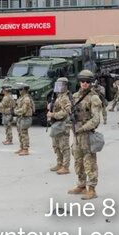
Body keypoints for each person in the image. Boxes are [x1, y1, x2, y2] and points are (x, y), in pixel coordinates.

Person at [68, 69, 103, 200]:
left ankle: (92, 189)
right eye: (82, 81)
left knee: (89, 162)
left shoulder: (94, 98)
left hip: (86, 134)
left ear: (91, 83)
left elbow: (95, 119)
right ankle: (81, 185)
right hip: (76, 134)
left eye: (87, 81)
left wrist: (82, 128)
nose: (84, 84)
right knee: (78, 161)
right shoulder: (75, 96)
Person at [48, 77, 72, 175]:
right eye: (57, 85)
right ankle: (59, 163)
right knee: (56, 145)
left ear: (65, 86)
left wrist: (53, 115)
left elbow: (65, 112)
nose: (58, 87)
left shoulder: (65, 98)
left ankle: (65, 166)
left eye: (60, 85)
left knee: (64, 146)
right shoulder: (58, 96)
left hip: (63, 124)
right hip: (56, 124)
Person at [13, 84, 35, 156]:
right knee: (20, 133)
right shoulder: (21, 98)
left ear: (24, 90)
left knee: (24, 134)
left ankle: (25, 149)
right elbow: (17, 105)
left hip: (25, 117)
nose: (19, 91)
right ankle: (22, 147)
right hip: (21, 117)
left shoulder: (26, 99)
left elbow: (24, 109)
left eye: (20, 90)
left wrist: (16, 111)